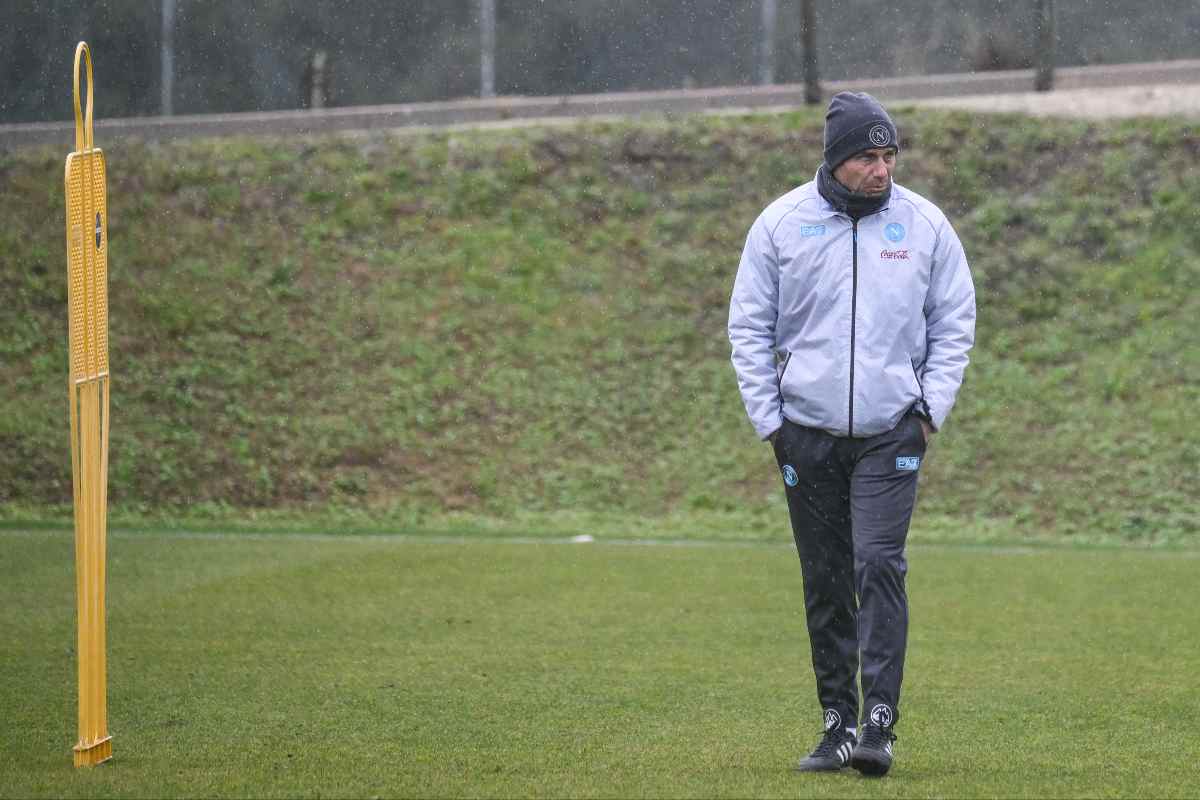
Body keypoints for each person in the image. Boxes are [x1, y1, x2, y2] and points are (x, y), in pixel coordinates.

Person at [727, 92, 976, 777]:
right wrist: (770, 423)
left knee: (878, 566)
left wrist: (928, 413)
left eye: (889, 155)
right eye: (867, 156)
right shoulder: (781, 224)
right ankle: (835, 724)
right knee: (827, 579)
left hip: (890, 432)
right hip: (803, 433)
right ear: (836, 160)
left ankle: (879, 724)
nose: (880, 169)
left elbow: (954, 321)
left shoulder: (924, 226)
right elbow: (749, 326)